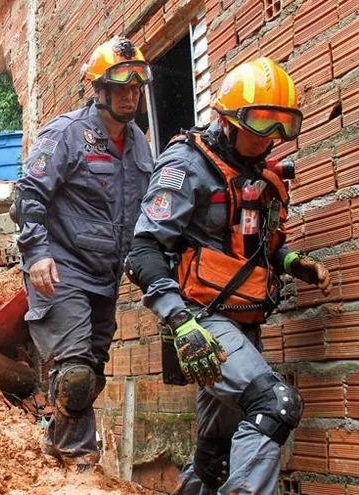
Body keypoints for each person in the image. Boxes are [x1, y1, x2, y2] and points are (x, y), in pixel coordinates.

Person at [126, 57, 331, 494]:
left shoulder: (257, 174)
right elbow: (144, 250)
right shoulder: (186, 165)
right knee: (274, 403)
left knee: (217, 453)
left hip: (244, 318)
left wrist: (293, 263)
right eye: (260, 123)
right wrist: (179, 322)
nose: (270, 139)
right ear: (228, 119)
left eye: (282, 126)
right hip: (201, 319)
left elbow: (255, 243)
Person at [13, 36, 154, 470]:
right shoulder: (68, 134)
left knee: (88, 377)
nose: (131, 92)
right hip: (61, 269)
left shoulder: (141, 144)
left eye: (137, 84)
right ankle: (81, 464)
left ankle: (56, 441)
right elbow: (28, 194)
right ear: (100, 89)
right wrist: (36, 253)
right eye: (122, 84)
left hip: (105, 278)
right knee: (74, 374)